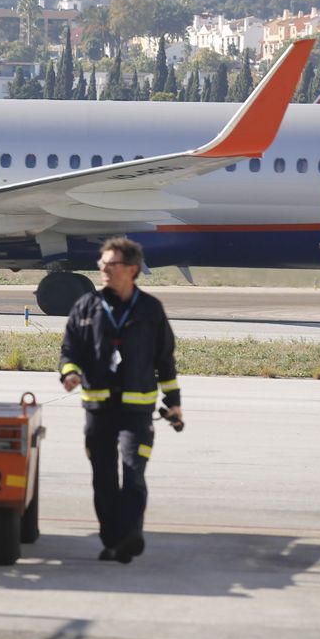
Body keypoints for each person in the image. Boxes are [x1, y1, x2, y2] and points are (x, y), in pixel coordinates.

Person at [59, 237, 182, 563]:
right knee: (103, 479)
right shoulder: (86, 307)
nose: (103, 268)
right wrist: (69, 373)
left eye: (110, 264)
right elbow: (68, 351)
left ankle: (129, 535)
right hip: (97, 410)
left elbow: (165, 360)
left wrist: (175, 402)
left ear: (131, 269)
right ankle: (113, 540)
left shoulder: (151, 309)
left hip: (137, 410)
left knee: (133, 471)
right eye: (102, 263)